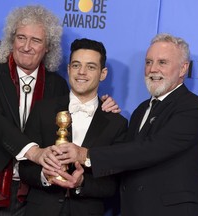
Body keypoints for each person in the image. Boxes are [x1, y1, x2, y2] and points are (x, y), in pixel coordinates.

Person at [0, 5, 120, 216]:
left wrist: (104, 106)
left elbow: (80, 102)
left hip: (29, 198)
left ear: (48, 47)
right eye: (21, 37)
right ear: (12, 39)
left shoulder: (56, 84)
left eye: (36, 40)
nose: (26, 46)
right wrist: (35, 153)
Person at [47, 33, 198, 216]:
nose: (152, 69)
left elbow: (150, 149)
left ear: (183, 69)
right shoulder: (141, 111)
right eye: (148, 62)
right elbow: (124, 159)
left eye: (162, 63)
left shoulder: (194, 108)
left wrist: (85, 154)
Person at [19, 38, 128, 216]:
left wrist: (82, 183)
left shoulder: (117, 123)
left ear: (103, 73)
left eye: (91, 67)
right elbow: (24, 167)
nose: (82, 72)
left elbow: (114, 183)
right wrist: (44, 176)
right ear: (69, 69)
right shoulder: (43, 109)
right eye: (76, 65)